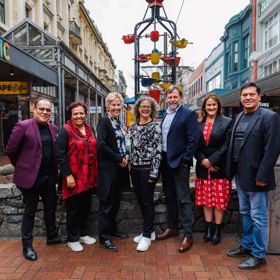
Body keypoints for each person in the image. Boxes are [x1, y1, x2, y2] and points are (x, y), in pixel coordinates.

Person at [226, 82, 280, 269]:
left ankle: (258, 255)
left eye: (251, 94)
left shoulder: (270, 117)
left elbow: (272, 149)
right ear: (240, 98)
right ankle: (247, 245)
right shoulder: (239, 115)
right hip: (240, 176)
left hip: (258, 176)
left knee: (258, 217)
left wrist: (263, 175)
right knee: (245, 213)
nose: (247, 98)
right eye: (244, 95)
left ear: (259, 96)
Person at [5, 98, 66, 261]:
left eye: (48, 110)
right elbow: (11, 150)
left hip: (49, 176)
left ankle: (52, 236)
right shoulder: (23, 126)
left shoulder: (53, 128)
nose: (45, 112)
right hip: (30, 178)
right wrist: (23, 165)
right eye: (42, 109)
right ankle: (27, 246)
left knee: (50, 208)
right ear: (34, 109)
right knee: (29, 212)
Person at [157, 85, 199, 253]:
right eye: (170, 97)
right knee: (170, 197)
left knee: (183, 199)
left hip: (179, 163)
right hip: (165, 162)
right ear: (166, 98)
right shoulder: (165, 114)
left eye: (175, 97)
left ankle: (188, 235)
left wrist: (185, 160)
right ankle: (172, 227)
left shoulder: (188, 115)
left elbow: (193, 139)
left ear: (180, 98)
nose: (172, 100)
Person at [56, 101, 98, 252]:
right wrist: (67, 175)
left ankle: (82, 233)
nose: (79, 116)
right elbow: (60, 155)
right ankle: (72, 238)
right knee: (73, 208)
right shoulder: (65, 130)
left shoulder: (89, 129)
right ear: (70, 115)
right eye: (75, 114)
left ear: (85, 114)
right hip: (73, 177)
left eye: (81, 113)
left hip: (89, 175)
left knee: (85, 206)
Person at [194, 94, 232, 245]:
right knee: (206, 201)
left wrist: (212, 161)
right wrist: (203, 159)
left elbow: (227, 145)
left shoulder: (227, 122)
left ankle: (217, 230)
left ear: (218, 106)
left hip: (218, 168)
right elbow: (194, 145)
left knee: (218, 201)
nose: (211, 107)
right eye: (208, 105)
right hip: (203, 168)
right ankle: (208, 229)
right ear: (204, 107)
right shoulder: (198, 123)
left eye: (214, 105)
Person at [97, 92, 130, 252]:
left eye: (118, 105)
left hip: (119, 169)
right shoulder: (104, 121)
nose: (116, 107)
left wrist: (126, 155)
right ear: (107, 106)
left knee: (115, 202)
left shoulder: (118, 122)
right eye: (113, 105)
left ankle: (112, 230)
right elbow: (101, 145)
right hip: (108, 170)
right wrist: (119, 158)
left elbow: (123, 143)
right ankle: (104, 237)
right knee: (106, 204)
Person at [129, 96, 161, 252]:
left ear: (152, 109)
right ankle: (150, 231)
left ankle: (147, 236)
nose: (145, 109)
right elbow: (131, 149)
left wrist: (154, 173)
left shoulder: (155, 126)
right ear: (138, 108)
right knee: (141, 201)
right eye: (143, 106)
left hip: (148, 169)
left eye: (148, 106)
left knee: (147, 202)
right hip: (134, 169)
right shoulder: (133, 126)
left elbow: (157, 152)